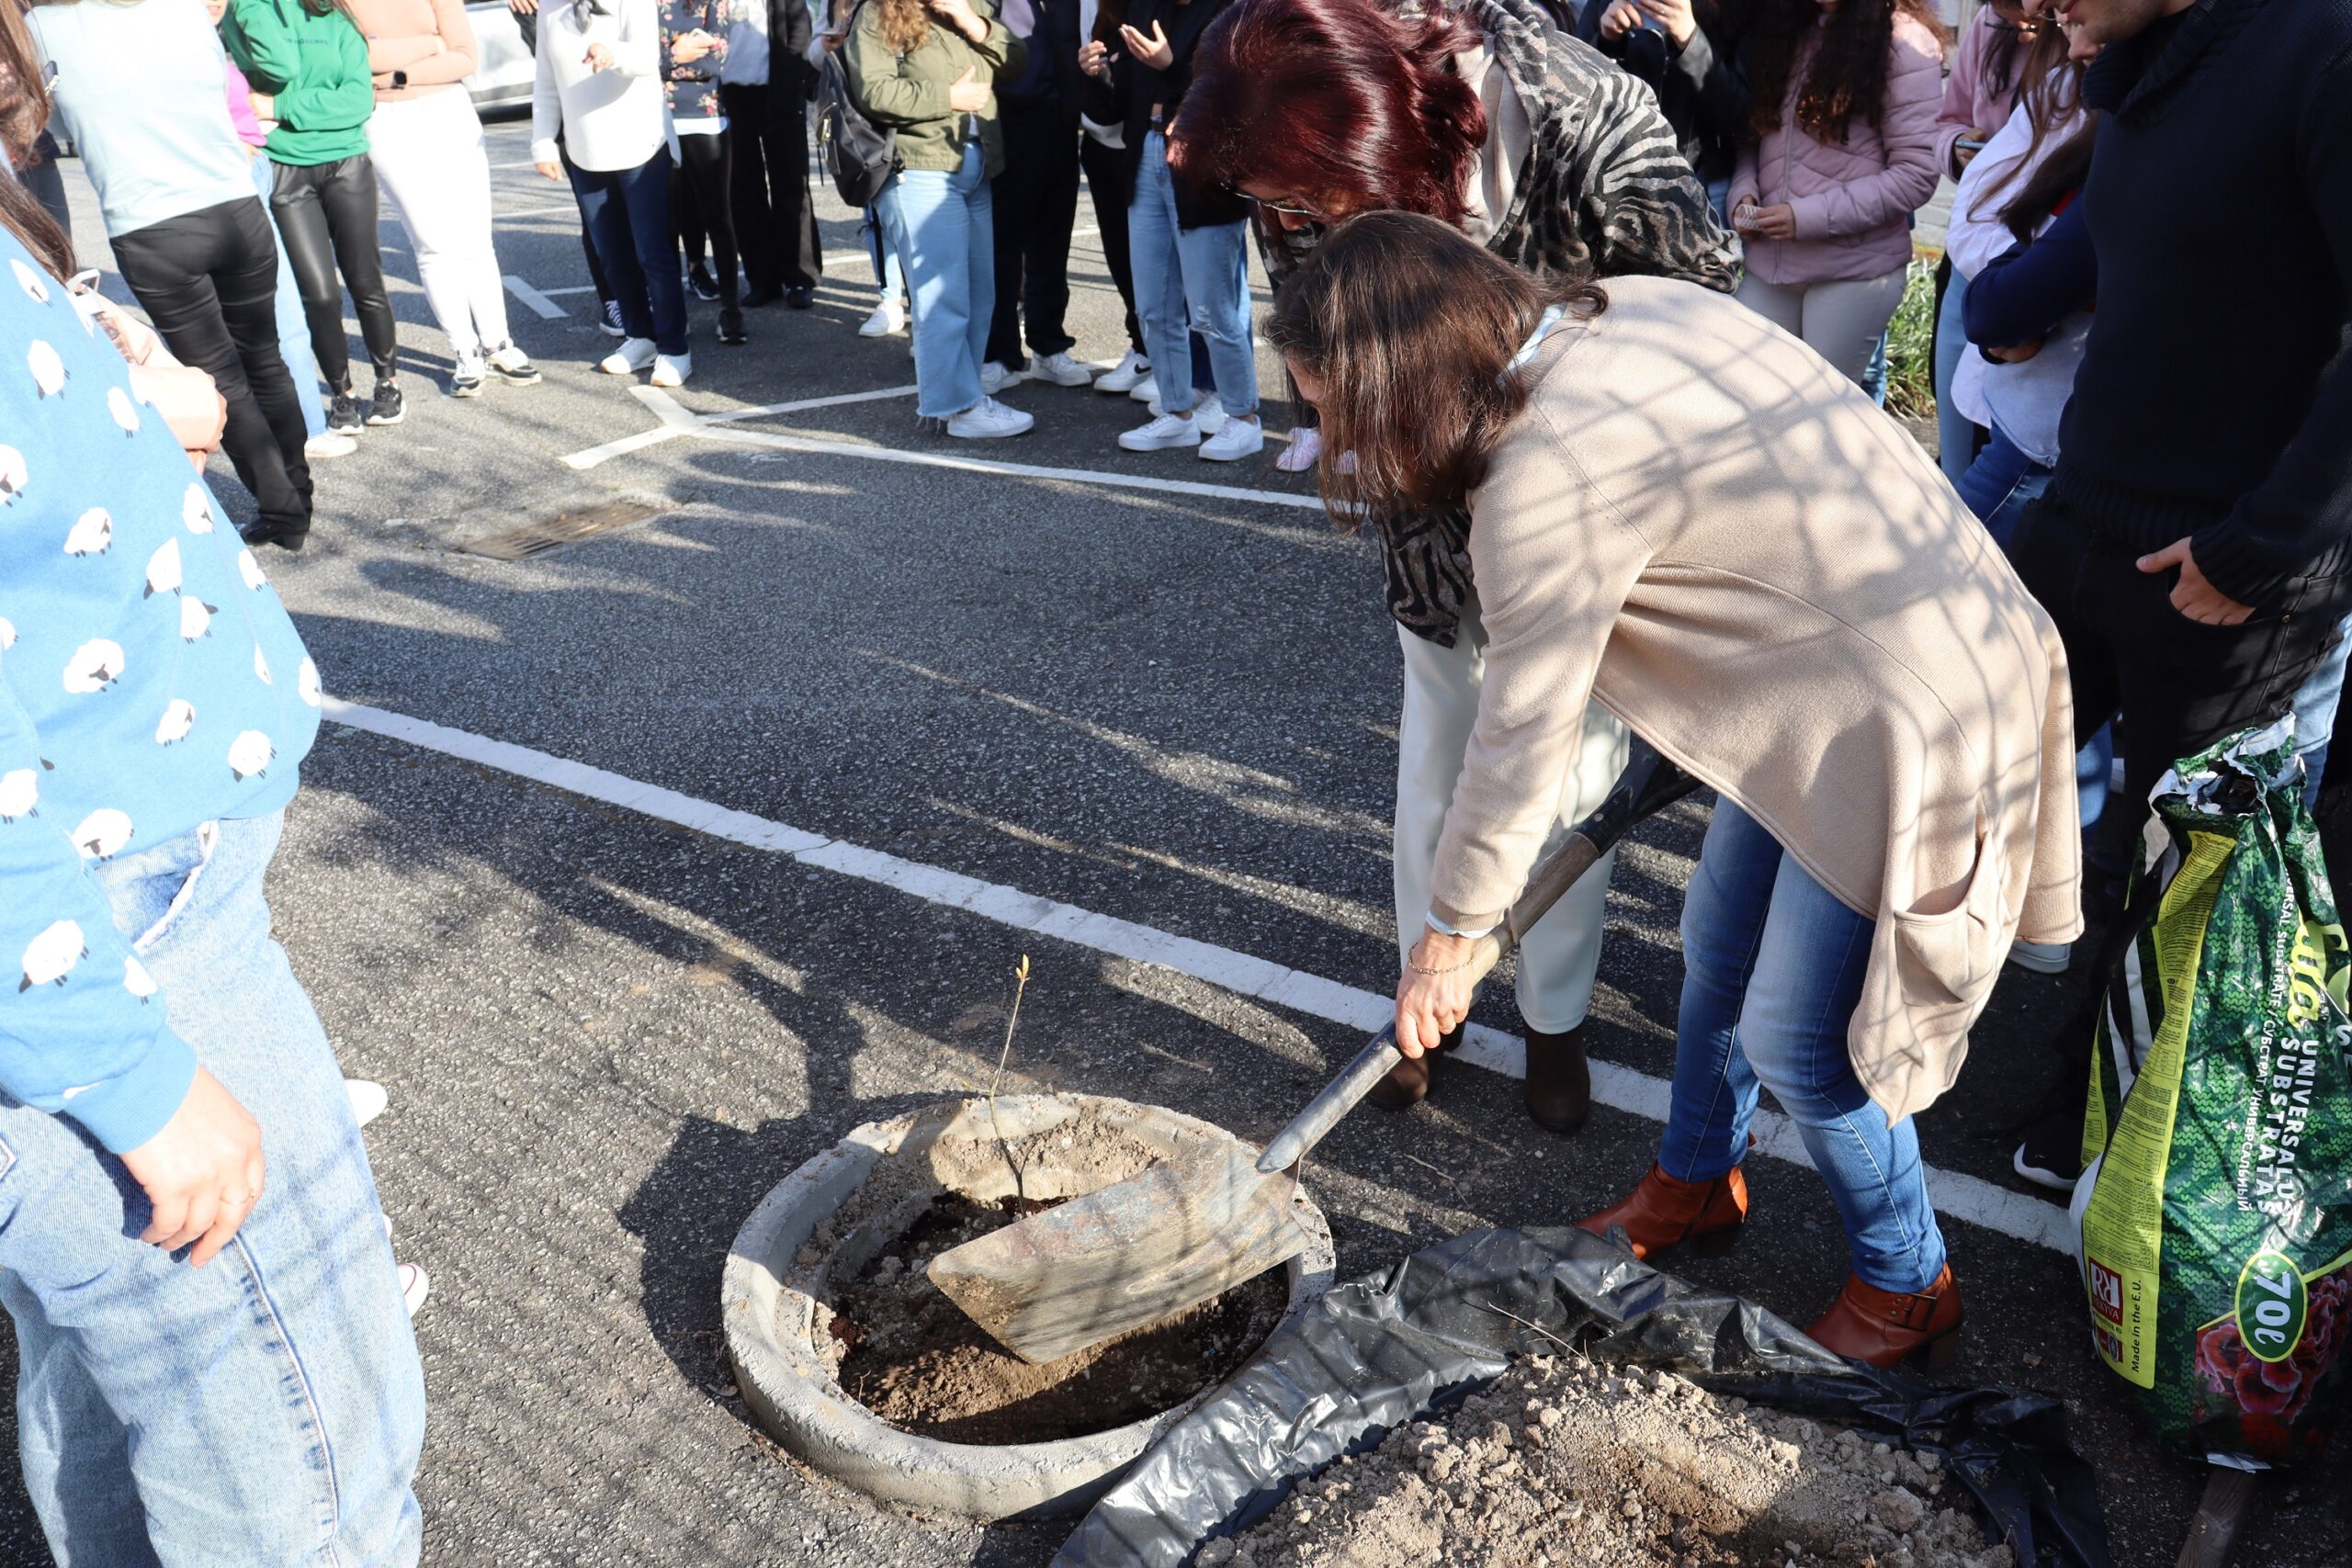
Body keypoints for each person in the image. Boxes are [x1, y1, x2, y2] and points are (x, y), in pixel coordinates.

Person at [1271, 211, 2079, 1365]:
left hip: (1903, 713)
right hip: (1831, 686)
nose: (1334, 440)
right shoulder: (1620, 308)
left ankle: (1909, 1284)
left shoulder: (1543, 480)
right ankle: (1697, 1180)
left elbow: (1522, 741)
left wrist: (1448, 939)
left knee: (1802, 1038)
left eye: (1337, 407)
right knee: (1715, 948)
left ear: (1408, 376)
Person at [0, 15, 426, 1558]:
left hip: (118, 890)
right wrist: (121, 1070)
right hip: (105, 936)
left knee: (115, 1402)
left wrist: (128, 407)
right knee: (305, 1466)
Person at [1172, 0, 1738, 1125]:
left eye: (1309, 200)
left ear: (1386, 132)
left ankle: (1553, 1017)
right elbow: (1314, 327)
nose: (1292, 225)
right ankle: (1425, 1002)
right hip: (1425, 515)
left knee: (1567, 770)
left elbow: (1699, 309)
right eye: (1275, 207)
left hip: (1584, 510)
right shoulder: (1290, 142)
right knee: (1437, 760)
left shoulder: (1580, 116)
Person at [2002, 0, 2352, 1189]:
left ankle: (2090, 1105)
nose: (2041, 14)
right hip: (2084, 517)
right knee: (1960, 743)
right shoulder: (2146, 66)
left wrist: (2258, 548)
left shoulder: (2320, 46)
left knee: (2166, 874)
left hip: (2226, 580)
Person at [28, 0, 316, 552]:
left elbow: (40, 119)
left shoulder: (40, 28)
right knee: (264, 355)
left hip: (150, 226)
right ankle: (296, 491)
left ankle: (283, 511)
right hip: (234, 205)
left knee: (219, 376)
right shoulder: (184, 8)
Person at [1078, 0, 1260, 460]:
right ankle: (1177, 414)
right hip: (1144, 155)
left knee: (1213, 307)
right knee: (1153, 306)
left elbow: (1237, 95)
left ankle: (1243, 418)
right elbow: (1120, 102)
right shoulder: (1143, 8)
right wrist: (1097, 73)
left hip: (1203, 165)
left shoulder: (1230, 12)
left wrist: (1171, 67)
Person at [1728, 0, 1940, 387]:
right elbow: (1755, 137)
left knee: (1816, 416)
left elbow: (1917, 174)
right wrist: (1744, 196)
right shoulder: (1785, 25)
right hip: (1769, 265)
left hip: (1852, 274)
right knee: (1743, 394)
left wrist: (1804, 217)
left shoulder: (1904, 40)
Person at [847, 0, 1035, 437]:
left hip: (975, 166)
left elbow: (1017, 62)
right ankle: (956, 405)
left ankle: (964, 398)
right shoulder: (879, 11)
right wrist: (947, 98)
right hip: (919, 167)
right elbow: (873, 91)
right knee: (941, 296)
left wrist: (971, 21)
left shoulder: (970, 7)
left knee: (978, 294)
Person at [224, 0, 407, 434]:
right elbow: (271, 72)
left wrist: (281, 106)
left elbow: (358, 100)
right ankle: (342, 393)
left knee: (365, 281)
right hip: (286, 170)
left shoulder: (337, 17)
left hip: (347, 164)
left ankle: (388, 383)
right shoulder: (245, 13)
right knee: (319, 294)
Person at [350, 0, 543, 398]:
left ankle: (498, 343)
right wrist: (430, 45)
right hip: (384, 121)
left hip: (448, 111)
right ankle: (464, 351)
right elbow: (354, 57)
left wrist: (396, 71)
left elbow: (464, 57)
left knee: (475, 238)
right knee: (431, 242)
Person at [208, 0, 356, 463]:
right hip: (218, 178)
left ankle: (306, 427)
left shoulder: (209, 33)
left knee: (284, 309)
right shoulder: (177, 36)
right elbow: (283, 63)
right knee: (244, 317)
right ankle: (264, 438)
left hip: (252, 167)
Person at [1928, 0, 2063, 483]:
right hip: (1971, 259)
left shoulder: (2084, 47)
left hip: (2037, 259)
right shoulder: (1987, 27)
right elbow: (1945, 125)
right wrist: (1963, 149)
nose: (2019, 15)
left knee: (2004, 452)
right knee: (1957, 421)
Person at [532, 0, 695, 387]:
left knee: (653, 254)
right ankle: (639, 336)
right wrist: (542, 142)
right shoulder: (550, 7)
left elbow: (645, 57)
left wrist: (612, 53)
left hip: (640, 142)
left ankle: (674, 347)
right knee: (612, 254)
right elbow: (545, 80)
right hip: (584, 149)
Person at [980, 0, 1095, 392]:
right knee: (1003, 243)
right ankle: (999, 353)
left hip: (1062, 119)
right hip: (1009, 121)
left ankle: (1048, 345)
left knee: (1053, 238)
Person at [1577, 0, 1751, 209]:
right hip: (1614, 186)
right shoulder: (1603, 4)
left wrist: (1690, 38)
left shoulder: (1738, 9)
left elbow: (1743, 117)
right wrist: (1607, 43)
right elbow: (1572, 100)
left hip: (1703, 190)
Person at [720, 0, 821, 310]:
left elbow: (799, 26)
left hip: (779, 90)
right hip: (730, 95)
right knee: (743, 188)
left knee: (791, 185)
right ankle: (761, 279)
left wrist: (793, 77)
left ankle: (800, 276)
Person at [660, 0, 745, 348]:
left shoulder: (714, 3)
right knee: (665, 221)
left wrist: (664, 58)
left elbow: (713, 62)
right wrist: (678, 54)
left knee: (718, 217)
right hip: (657, 122)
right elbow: (630, 61)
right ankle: (671, 314)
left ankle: (731, 309)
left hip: (705, 119)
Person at [1076, 0, 1148, 392]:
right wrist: (1090, 74)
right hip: (1100, 139)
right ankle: (1143, 349)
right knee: (1120, 255)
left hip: (1146, 140)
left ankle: (1177, 363)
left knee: (1158, 262)